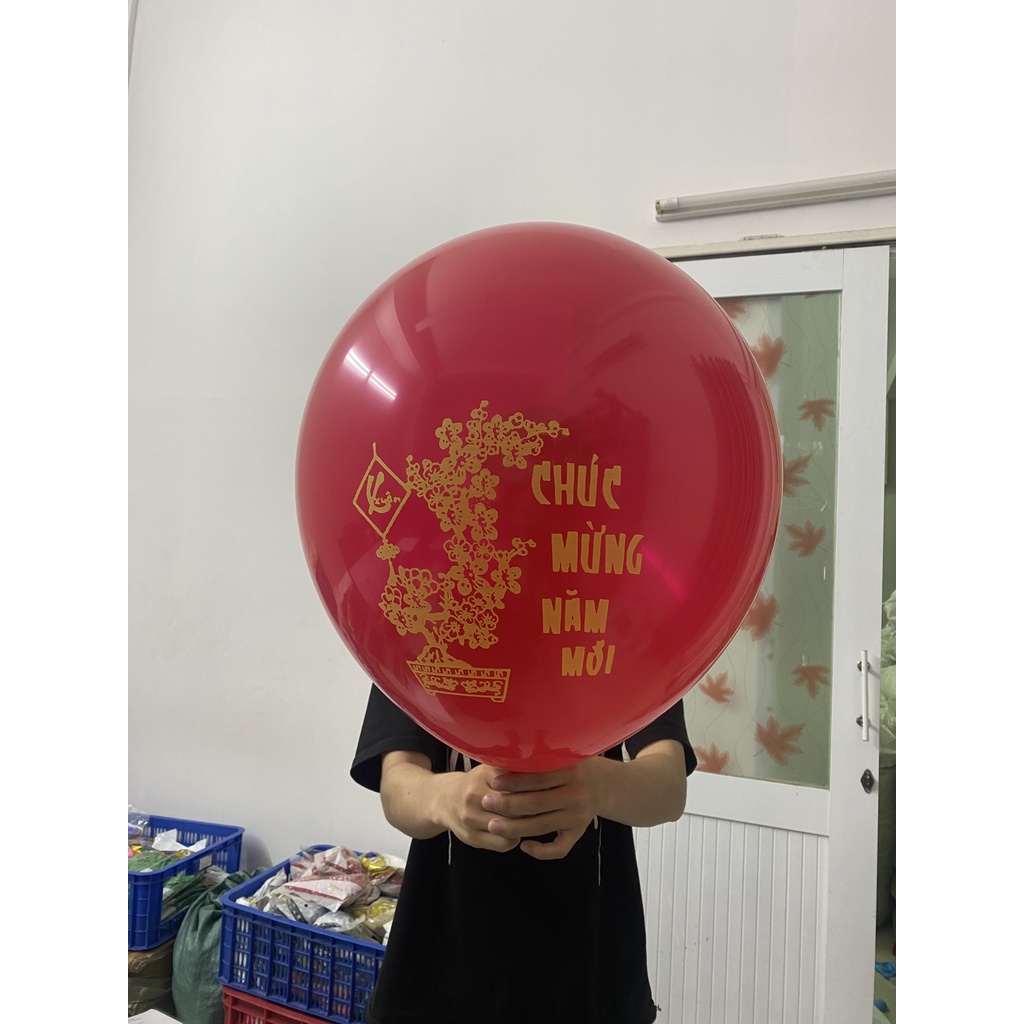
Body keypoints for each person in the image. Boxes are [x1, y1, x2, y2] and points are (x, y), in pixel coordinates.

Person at [350, 684, 697, 1024]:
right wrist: (446, 799)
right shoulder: (417, 642)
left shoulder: (624, 644)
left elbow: (668, 785)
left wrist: (600, 786)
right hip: (438, 968)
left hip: (593, 973)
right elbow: (396, 786)